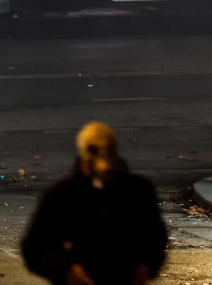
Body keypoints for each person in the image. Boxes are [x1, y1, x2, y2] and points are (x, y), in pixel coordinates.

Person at [21, 122, 168, 285]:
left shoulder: (138, 190)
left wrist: (146, 266)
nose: (103, 156)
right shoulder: (63, 195)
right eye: (94, 149)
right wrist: (66, 271)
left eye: (109, 148)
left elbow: (155, 237)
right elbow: (36, 247)